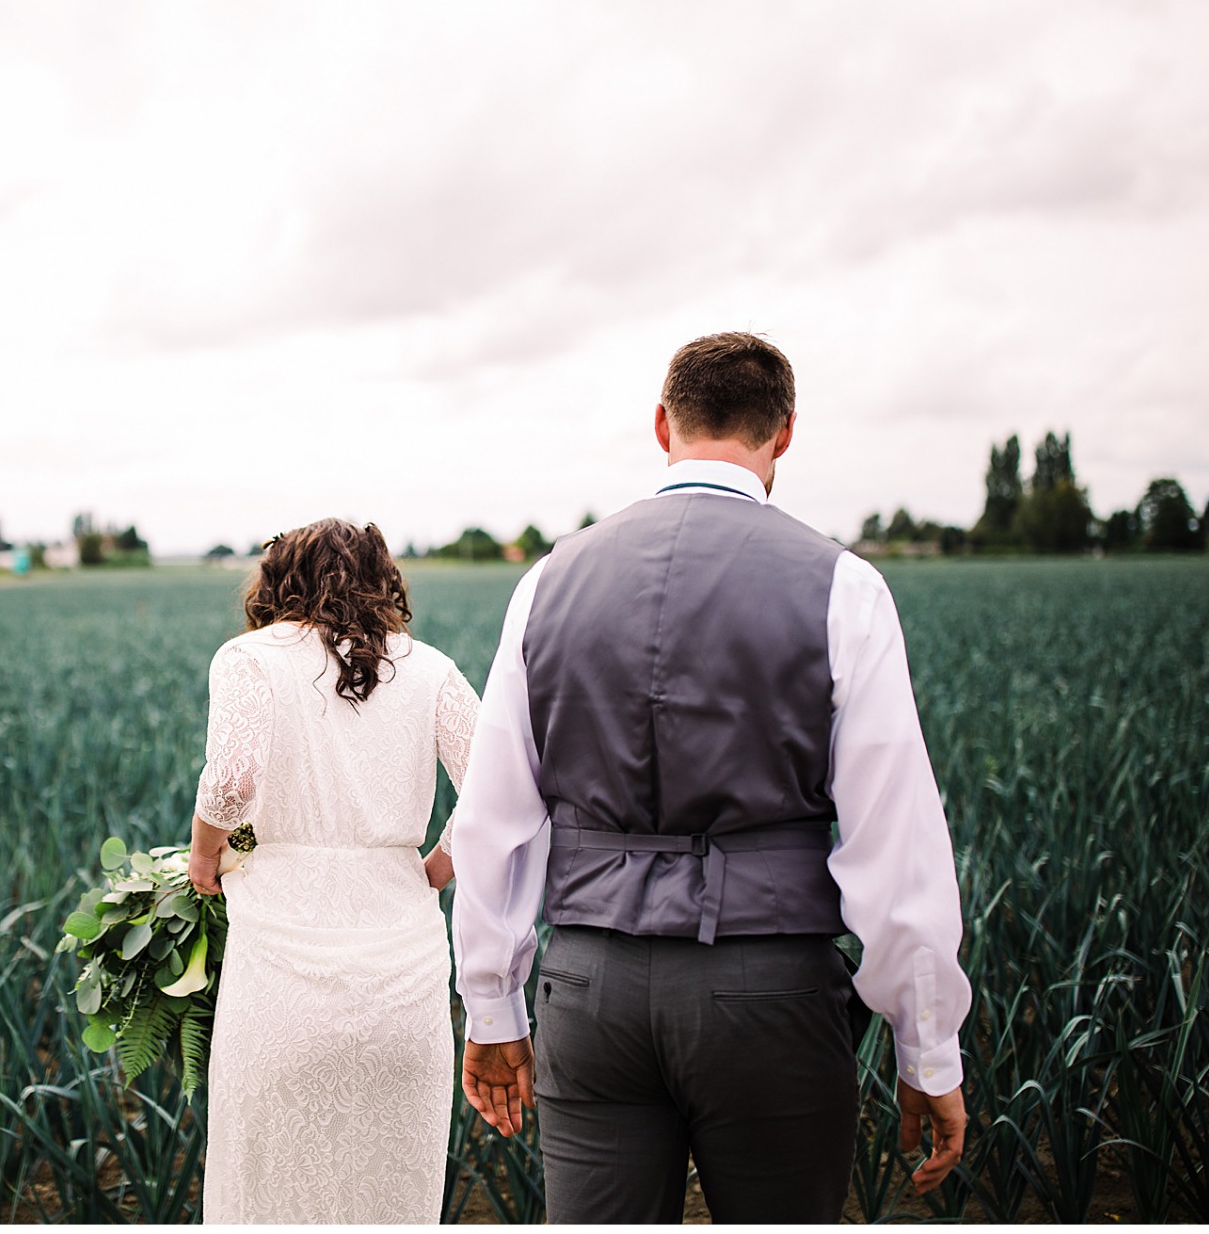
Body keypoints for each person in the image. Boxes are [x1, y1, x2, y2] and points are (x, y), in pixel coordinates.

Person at [450, 332, 971, 1222]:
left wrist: (492, 1005)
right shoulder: (843, 586)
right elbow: (896, 842)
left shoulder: (547, 582)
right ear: (785, 434)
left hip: (590, 988)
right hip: (766, 993)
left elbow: (495, 814)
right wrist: (929, 1052)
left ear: (663, 424)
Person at [186, 519, 477, 1223]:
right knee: (386, 1192)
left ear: (278, 580)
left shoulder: (249, 658)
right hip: (403, 982)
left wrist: (204, 855)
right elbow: (497, 794)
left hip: (282, 978)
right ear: (384, 581)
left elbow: (231, 777)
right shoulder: (431, 668)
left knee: (270, 1188)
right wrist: (437, 863)